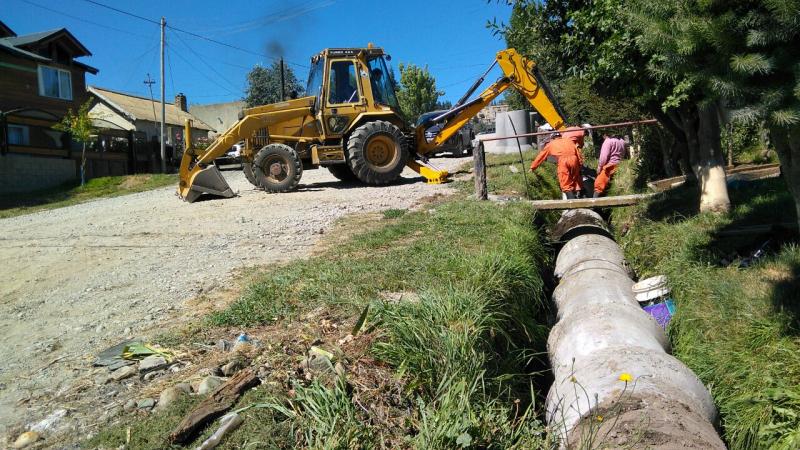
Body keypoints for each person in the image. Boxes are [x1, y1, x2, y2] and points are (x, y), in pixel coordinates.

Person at [529, 126, 586, 199]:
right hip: (574, 160)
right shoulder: (569, 141)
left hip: (563, 161)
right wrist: (580, 165)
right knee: (576, 179)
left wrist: (532, 167)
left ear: (552, 138)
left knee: (565, 184)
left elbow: (541, 156)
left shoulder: (551, 144)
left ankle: (572, 204)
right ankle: (581, 197)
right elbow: (577, 152)